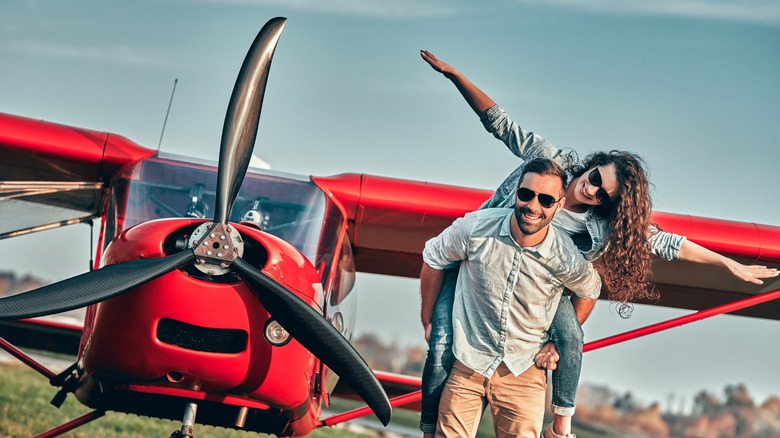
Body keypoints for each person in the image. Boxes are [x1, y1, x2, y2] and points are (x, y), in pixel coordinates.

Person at [418, 50, 780, 438]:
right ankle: (426, 428)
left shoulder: (600, 227)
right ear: (591, 164)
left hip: (544, 285)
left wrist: (730, 265)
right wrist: (455, 75)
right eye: (594, 178)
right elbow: (500, 123)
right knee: (440, 341)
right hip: (488, 264)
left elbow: (669, 244)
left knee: (571, 335)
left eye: (602, 196)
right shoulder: (548, 163)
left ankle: (561, 426)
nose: (590, 191)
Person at [421, 158, 602, 438]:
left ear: (559, 205)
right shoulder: (475, 228)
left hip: (525, 373)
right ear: (516, 192)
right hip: (468, 362)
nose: (533, 206)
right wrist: (428, 319)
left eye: (545, 200)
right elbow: (433, 258)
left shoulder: (566, 256)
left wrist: (558, 342)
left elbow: (590, 289)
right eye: (526, 194)